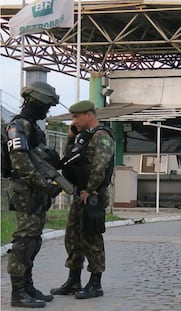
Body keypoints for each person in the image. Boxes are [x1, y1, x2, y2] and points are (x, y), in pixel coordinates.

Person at [50, 100, 115, 299]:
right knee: (73, 236)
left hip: (93, 195)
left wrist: (90, 189)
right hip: (81, 194)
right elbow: (70, 159)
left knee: (91, 236)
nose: (74, 121)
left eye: (76, 117)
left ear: (89, 115)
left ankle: (95, 282)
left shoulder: (102, 136)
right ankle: (74, 279)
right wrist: (71, 138)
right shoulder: (83, 137)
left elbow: (100, 166)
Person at [6, 81, 62, 308]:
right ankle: (18, 292)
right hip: (26, 191)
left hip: (36, 191)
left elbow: (39, 161)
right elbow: (20, 164)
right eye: (45, 105)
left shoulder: (33, 127)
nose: (47, 110)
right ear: (34, 102)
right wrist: (44, 185)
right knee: (24, 241)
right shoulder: (17, 126)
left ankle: (27, 286)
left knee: (34, 240)